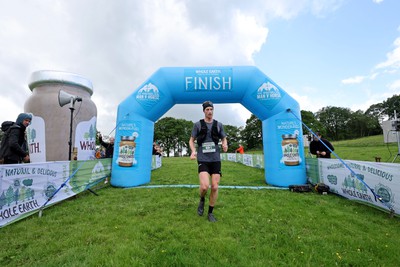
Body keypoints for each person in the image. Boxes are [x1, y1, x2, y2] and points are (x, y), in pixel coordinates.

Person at [189, 101, 228, 222]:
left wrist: (225, 145)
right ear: (204, 111)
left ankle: (210, 213)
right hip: (203, 159)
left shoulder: (218, 125)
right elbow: (191, 140)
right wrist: (193, 151)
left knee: (215, 187)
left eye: (211, 109)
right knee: (205, 186)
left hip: (215, 159)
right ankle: (202, 199)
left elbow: (224, 138)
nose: (209, 111)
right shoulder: (198, 125)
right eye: (207, 110)